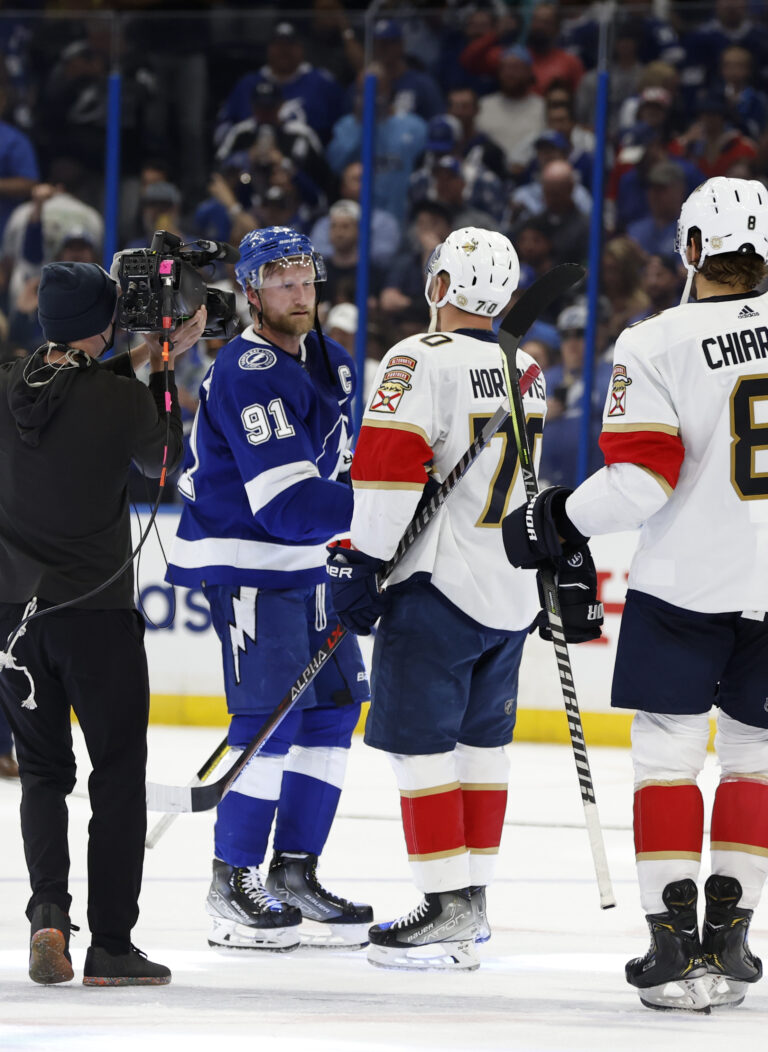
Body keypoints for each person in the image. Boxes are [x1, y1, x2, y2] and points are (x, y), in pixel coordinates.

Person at [501, 176, 768, 1012]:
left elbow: (643, 482)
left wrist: (557, 518)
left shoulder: (655, 341)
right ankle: (731, 941)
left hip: (686, 588)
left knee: (666, 765)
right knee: (756, 763)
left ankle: (670, 945)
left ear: (692, 250)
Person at [326, 227, 602, 971]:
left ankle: (444, 905)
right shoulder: (530, 368)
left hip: (436, 585)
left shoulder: (417, 357)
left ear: (439, 286)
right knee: (484, 751)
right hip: (510, 591)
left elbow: (386, 471)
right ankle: (471, 905)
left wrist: (361, 563)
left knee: (419, 751)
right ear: (508, 298)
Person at [166, 226, 373, 953]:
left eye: (305, 276)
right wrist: (389, 509)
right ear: (250, 292)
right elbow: (285, 505)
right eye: (279, 278)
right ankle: (232, 881)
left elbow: (353, 470)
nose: (297, 289)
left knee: (335, 712)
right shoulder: (247, 371)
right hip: (251, 565)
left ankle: (294, 873)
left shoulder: (333, 361)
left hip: (312, 566)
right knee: (268, 722)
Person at [0, 261, 206, 986]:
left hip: (15, 622)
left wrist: (138, 357)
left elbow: (64, 383)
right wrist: (163, 367)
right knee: (116, 776)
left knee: (43, 776)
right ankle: (112, 946)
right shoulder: (119, 400)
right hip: (96, 616)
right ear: (107, 323)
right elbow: (164, 459)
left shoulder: (6, 382)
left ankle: (47, 915)